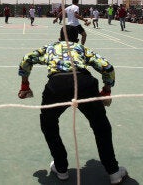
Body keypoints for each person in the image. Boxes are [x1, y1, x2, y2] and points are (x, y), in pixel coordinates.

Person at [16, 36, 127, 184]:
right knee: (101, 126)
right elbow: (107, 67)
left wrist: (25, 85)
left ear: (59, 37)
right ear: (77, 39)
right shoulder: (81, 48)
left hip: (57, 85)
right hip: (85, 84)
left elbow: (27, 59)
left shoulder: (50, 48)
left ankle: (61, 168)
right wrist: (106, 90)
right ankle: (113, 172)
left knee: (49, 125)